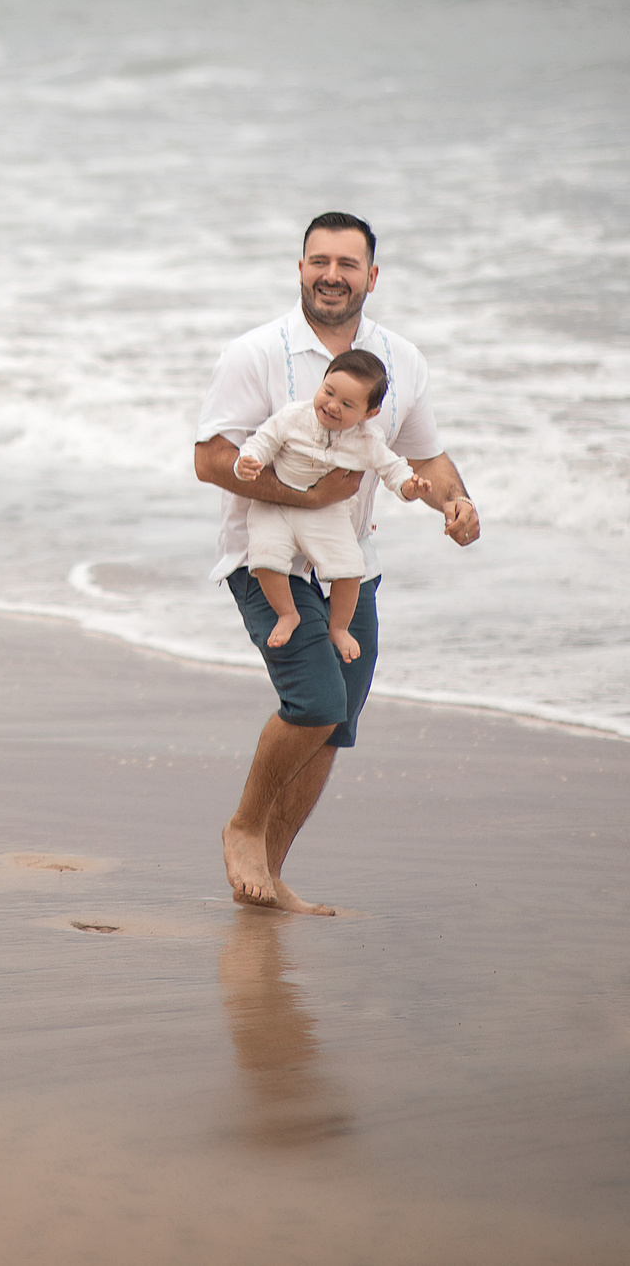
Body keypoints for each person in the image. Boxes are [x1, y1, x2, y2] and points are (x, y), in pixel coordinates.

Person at [194, 213, 481, 916]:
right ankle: (243, 828)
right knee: (316, 702)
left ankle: (268, 876)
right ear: (300, 268)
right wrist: (306, 495)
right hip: (268, 558)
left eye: (347, 264)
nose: (332, 274)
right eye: (318, 260)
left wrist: (456, 501)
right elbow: (210, 458)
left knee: (333, 723)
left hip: (350, 562)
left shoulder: (400, 360)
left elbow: (423, 456)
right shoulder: (255, 353)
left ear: (371, 276)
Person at [231, 347, 429, 664]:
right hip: (276, 506)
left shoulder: (367, 439)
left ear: (369, 413)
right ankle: (287, 613)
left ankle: (339, 627)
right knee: (264, 558)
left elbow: (393, 468)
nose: (332, 405)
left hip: (328, 513)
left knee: (350, 569)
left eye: (347, 404)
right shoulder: (293, 416)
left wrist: (409, 486)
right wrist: (248, 461)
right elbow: (262, 440)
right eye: (328, 392)